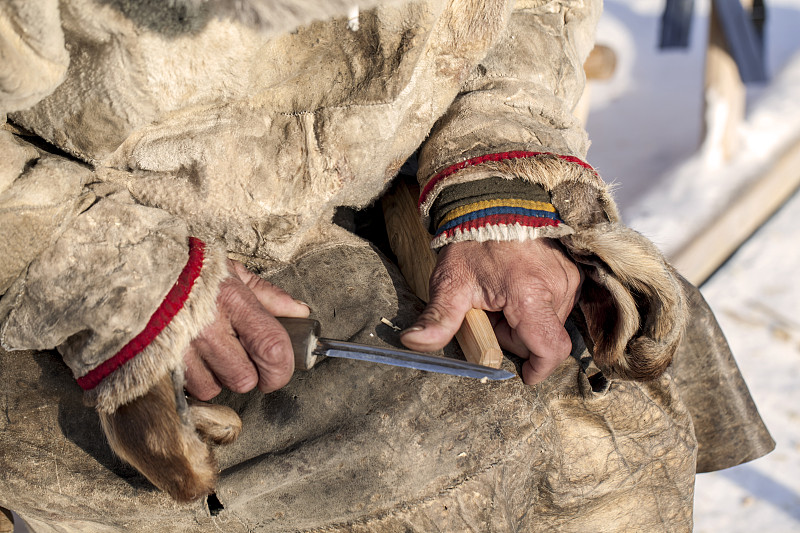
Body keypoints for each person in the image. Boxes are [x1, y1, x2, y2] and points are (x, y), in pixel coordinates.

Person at [0, 0, 773, 531]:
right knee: (417, 455)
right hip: (71, 244)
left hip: (370, 181)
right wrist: (111, 277)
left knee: (610, 378)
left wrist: (493, 179)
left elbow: (519, 17)